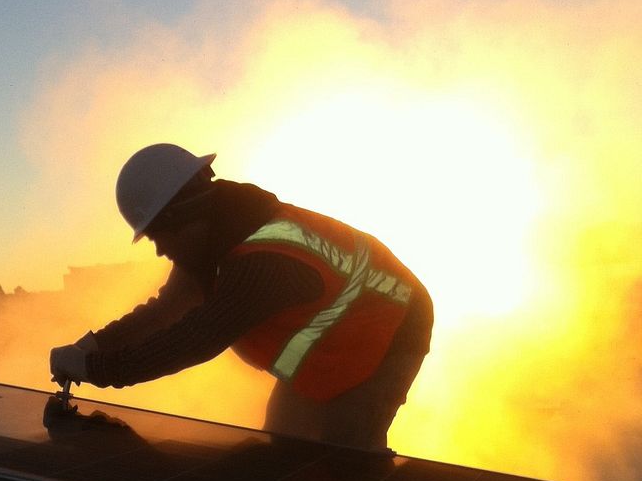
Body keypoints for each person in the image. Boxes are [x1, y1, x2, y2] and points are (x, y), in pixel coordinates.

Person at [49, 143, 433, 452]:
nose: (160, 251)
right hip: (333, 342)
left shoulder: (264, 258)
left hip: (394, 327)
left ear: (187, 215)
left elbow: (195, 339)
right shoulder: (211, 243)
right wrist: (94, 344)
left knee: (344, 450)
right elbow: (163, 313)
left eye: (160, 236)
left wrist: (98, 369)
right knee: (284, 444)